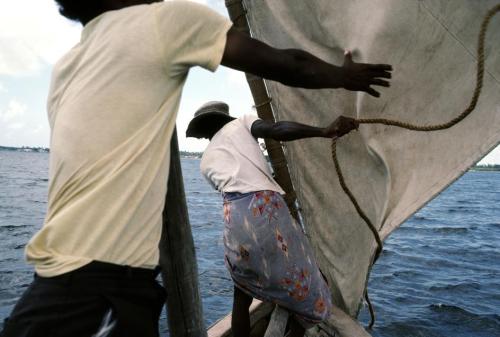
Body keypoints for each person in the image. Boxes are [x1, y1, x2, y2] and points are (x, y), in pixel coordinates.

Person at [0, 0, 392, 336]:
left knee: (243, 286)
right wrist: (338, 88)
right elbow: (284, 88)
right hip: (107, 283)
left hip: (62, 274)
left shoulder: (65, 69)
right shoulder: (168, 32)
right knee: (308, 286)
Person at [186, 101, 359, 337]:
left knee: (241, 293)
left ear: (205, 131)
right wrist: (324, 131)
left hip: (234, 218)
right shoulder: (242, 123)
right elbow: (278, 130)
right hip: (264, 210)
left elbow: (235, 188)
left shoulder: (205, 161)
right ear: (225, 118)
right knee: (308, 285)